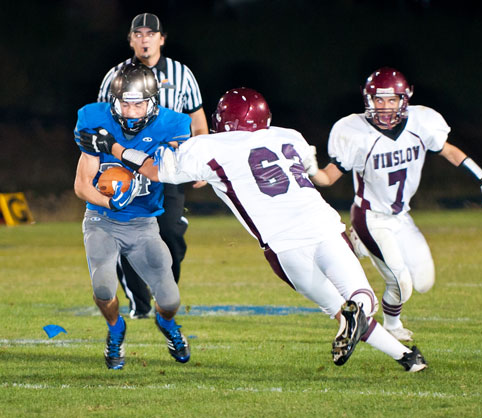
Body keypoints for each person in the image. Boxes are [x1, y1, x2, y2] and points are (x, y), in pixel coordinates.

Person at [80, 87, 428, 373]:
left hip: (283, 246)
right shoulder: (289, 136)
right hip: (322, 226)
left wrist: (112, 146)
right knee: (359, 299)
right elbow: (315, 174)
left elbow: (155, 171)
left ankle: (404, 356)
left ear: (222, 122)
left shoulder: (210, 146)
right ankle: (398, 350)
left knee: (336, 308)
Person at [305, 67, 482, 341]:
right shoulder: (354, 131)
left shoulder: (422, 122)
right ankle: (392, 324)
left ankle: (362, 245)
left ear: (405, 99)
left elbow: (449, 151)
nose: (385, 107)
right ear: (368, 100)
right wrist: (310, 170)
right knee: (402, 283)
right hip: (370, 216)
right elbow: (329, 178)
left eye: (392, 100)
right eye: (379, 100)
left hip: (402, 216)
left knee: (425, 283)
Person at [74, 62, 191, 369]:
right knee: (102, 288)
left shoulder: (174, 125)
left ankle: (167, 325)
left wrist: (113, 148)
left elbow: (159, 171)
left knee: (169, 301)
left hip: (144, 223)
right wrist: (110, 203)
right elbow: (81, 185)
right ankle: (116, 329)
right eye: (124, 103)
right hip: (102, 220)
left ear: (152, 102)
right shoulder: (93, 118)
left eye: (138, 103)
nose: (130, 111)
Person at [98, 13, 209, 319]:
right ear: (131, 39)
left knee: (170, 233)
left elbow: (198, 121)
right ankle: (140, 304)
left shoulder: (181, 74)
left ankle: (164, 292)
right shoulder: (115, 75)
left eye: (151, 33)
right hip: (126, 169)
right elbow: (100, 123)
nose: (145, 38)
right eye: (139, 33)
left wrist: (201, 162)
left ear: (162, 38)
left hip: (168, 167)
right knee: (127, 238)